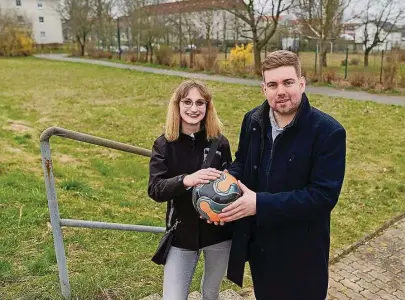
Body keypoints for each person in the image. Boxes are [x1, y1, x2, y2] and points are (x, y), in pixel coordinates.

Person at [218, 50, 346, 300]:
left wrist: (259, 204)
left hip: (302, 251)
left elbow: (323, 197)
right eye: (272, 84)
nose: (281, 91)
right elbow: (243, 162)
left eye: (288, 82)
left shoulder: (328, 132)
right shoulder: (252, 120)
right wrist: (224, 187)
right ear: (263, 88)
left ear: (302, 82)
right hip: (262, 247)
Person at [148, 80, 233, 300]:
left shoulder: (219, 143)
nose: (193, 109)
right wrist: (186, 180)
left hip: (219, 232)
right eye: (187, 102)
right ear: (177, 105)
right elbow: (155, 189)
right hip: (182, 233)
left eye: (200, 103)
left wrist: (226, 209)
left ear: (207, 107)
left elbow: (230, 183)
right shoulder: (164, 145)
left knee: (211, 293)